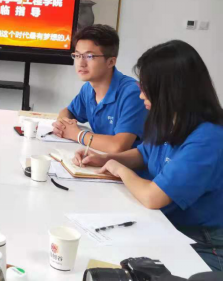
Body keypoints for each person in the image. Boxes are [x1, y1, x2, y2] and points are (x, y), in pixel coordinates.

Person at [73, 40, 223, 271]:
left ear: (171, 90)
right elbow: (144, 153)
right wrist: (106, 159)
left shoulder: (208, 137)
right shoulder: (171, 118)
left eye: (146, 87)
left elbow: (153, 197)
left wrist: (119, 169)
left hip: (202, 242)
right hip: (163, 223)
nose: (141, 94)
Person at [53, 25, 148, 153]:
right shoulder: (88, 89)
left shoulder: (133, 93)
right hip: (101, 159)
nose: (81, 63)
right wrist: (63, 124)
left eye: (89, 56)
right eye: (77, 55)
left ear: (111, 62)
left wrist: (77, 134)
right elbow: (68, 111)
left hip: (130, 165)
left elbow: (119, 146)